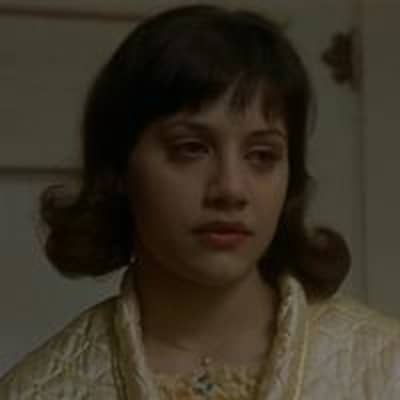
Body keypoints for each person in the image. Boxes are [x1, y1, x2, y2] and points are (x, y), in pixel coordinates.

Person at [1, 4, 399, 399]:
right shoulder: (37, 391)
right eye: (191, 149)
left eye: (262, 155)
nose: (230, 189)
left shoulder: (385, 369)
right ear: (119, 167)